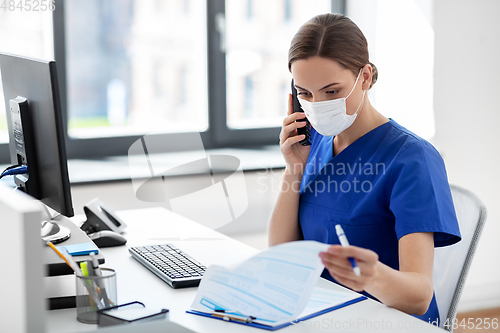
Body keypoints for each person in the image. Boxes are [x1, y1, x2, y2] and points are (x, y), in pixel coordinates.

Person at [269, 13, 461, 324]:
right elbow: (280, 253)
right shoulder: (312, 142)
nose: (317, 105)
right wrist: (293, 169)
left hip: (386, 322)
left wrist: (370, 276)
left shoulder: (411, 159)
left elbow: (419, 295)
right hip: (321, 314)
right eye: (304, 94)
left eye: (331, 92)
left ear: (366, 77)